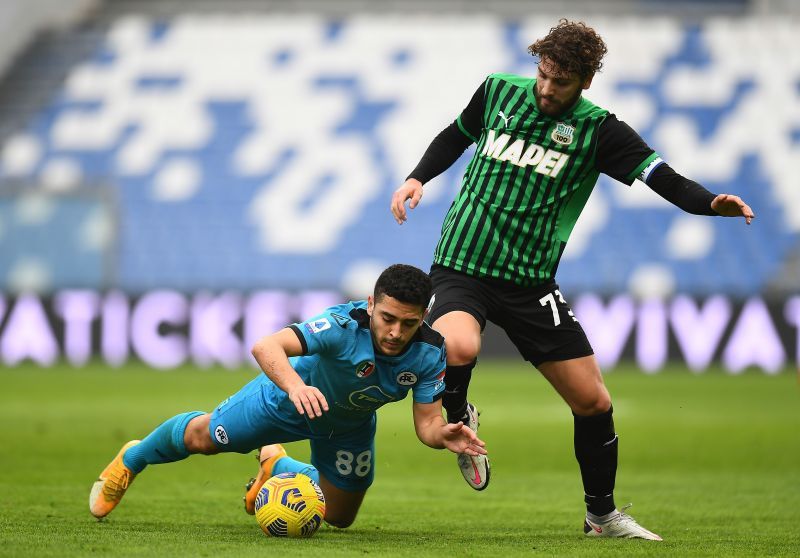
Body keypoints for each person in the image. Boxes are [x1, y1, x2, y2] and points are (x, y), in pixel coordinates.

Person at [390, 19, 754, 541]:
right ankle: (457, 413)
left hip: (531, 282)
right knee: (458, 345)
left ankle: (601, 517)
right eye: (542, 74)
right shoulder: (497, 91)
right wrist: (416, 177)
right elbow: (455, 136)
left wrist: (708, 204)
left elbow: (661, 177)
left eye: (560, 81)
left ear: (585, 82)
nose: (545, 88)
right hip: (462, 264)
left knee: (593, 402)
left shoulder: (600, 130)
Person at [89, 264, 486, 528]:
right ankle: (133, 458)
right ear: (370, 305)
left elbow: (427, 423)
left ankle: (277, 466)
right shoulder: (339, 325)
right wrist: (295, 387)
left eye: (409, 323)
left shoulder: (432, 352)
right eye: (387, 318)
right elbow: (266, 346)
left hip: (349, 427)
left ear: (423, 317)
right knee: (204, 439)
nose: (396, 332)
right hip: (283, 404)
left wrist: (442, 436)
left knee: (339, 518)